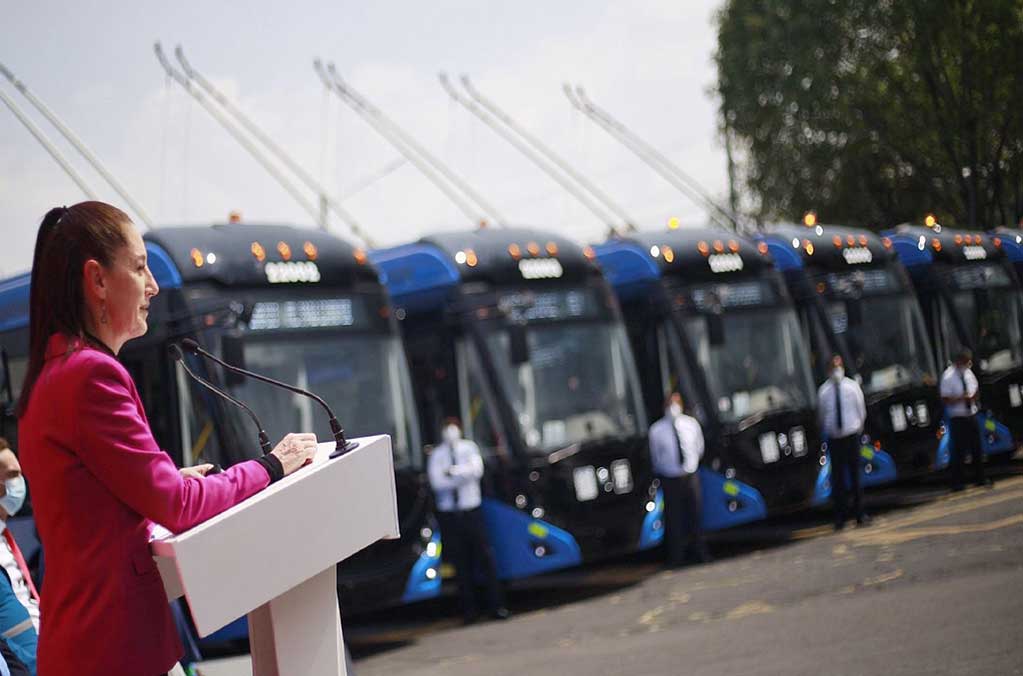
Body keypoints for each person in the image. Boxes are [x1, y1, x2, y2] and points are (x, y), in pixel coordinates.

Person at [16, 202, 319, 676]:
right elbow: (176, 504)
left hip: (87, 644)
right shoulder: (91, 375)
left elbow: (88, 506)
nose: (152, 286)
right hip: (116, 648)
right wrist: (271, 467)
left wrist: (162, 485)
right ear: (97, 280)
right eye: (139, 268)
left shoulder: (53, 372)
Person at [427, 418, 508, 623]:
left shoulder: (469, 448)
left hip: (471, 510)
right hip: (451, 515)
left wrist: (453, 472)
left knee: (485, 558)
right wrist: (462, 475)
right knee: (460, 563)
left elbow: (476, 471)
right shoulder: (437, 455)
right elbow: (437, 483)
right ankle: (469, 611)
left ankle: (496, 606)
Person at [648, 392, 708, 567]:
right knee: (674, 519)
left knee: (696, 515)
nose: (673, 407)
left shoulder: (691, 424)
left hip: (690, 475)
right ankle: (677, 557)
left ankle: (700, 552)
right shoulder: (656, 430)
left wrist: (691, 465)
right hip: (670, 477)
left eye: (676, 403)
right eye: (669, 404)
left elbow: (699, 447)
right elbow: (655, 457)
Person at [817, 355, 869, 530]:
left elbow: (861, 410)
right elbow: (822, 416)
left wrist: (857, 428)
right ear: (828, 370)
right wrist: (829, 431)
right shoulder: (823, 391)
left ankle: (860, 514)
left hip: (851, 436)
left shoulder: (852, 387)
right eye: (833, 367)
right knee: (838, 480)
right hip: (835, 439)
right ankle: (840, 518)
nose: (836, 370)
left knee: (855, 477)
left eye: (838, 366)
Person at [940, 349, 989, 491]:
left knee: (977, 448)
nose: (968, 363)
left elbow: (976, 388)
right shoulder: (948, 376)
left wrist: (974, 397)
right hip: (958, 417)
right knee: (959, 451)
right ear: (959, 361)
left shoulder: (968, 373)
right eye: (966, 361)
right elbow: (945, 398)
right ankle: (957, 482)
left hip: (971, 414)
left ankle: (980, 478)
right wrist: (961, 398)